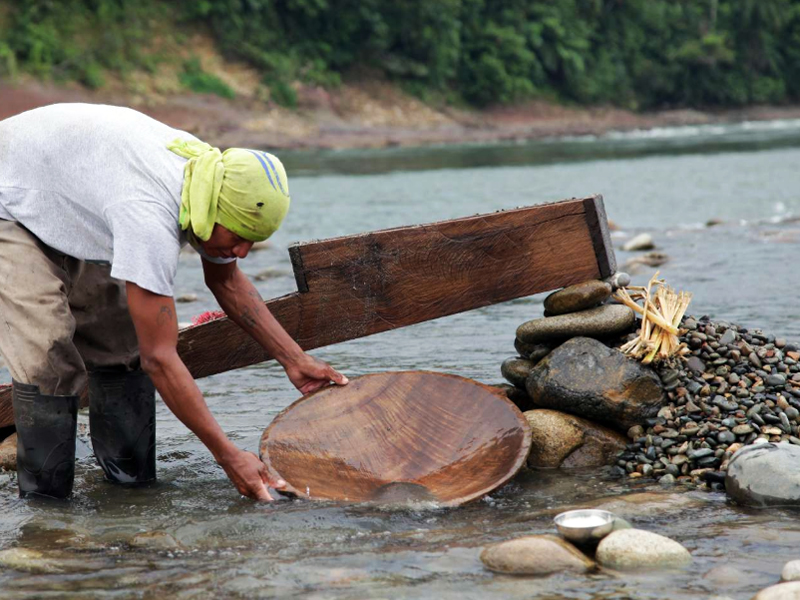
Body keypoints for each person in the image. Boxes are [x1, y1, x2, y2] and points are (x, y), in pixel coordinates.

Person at [0, 103, 348, 501]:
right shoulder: (150, 215)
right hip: (8, 194)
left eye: (253, 240)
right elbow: (161, 359)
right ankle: (48, 515)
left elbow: (227, 280)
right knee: (49, 354)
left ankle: (130, 492)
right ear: (214, 210)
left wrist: (295, 359)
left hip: (70, 190)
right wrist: (228, 456)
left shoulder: (214, 183)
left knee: (120, 345)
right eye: (238, 236)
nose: (244, 251)